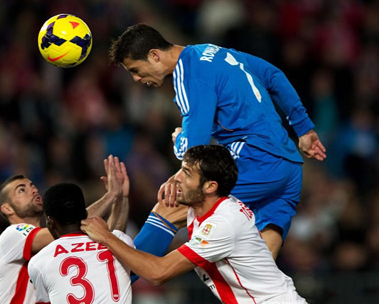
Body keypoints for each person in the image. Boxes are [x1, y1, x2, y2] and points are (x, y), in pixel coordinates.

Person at [109, 23, 327, 258]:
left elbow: (196, 147)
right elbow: (273, 76)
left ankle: (121, 277)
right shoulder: (213, 51)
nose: (136, 78)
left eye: (135, 69)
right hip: (288, 165)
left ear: (154, 55)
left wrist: (179, 140)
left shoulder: (189, 74)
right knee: (258, 269)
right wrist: (304, 129)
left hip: (255, 159)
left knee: (170, 206)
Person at [81, 145, 312, 304]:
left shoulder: (224, 223)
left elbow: (158, 273)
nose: (176, 178)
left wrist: (105, 236)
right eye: (180, 169)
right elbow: (154, 233)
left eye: (187, 173)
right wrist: (119, 197)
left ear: (210, 186)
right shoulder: (199, 208)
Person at [0, 155, 185, 304]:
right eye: (21, 190)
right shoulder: (12, 235)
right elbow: (73, 221)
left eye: (32, 186)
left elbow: (110, 247)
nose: (32, 190)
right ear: (7, 209)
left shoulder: (50, 252)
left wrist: (120, 200)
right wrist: (110, 196)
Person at [28, 182, 134, 304]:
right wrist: (122, 199)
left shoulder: (39, 262)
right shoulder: (119, 241)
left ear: (50, 222)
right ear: (84, 214)